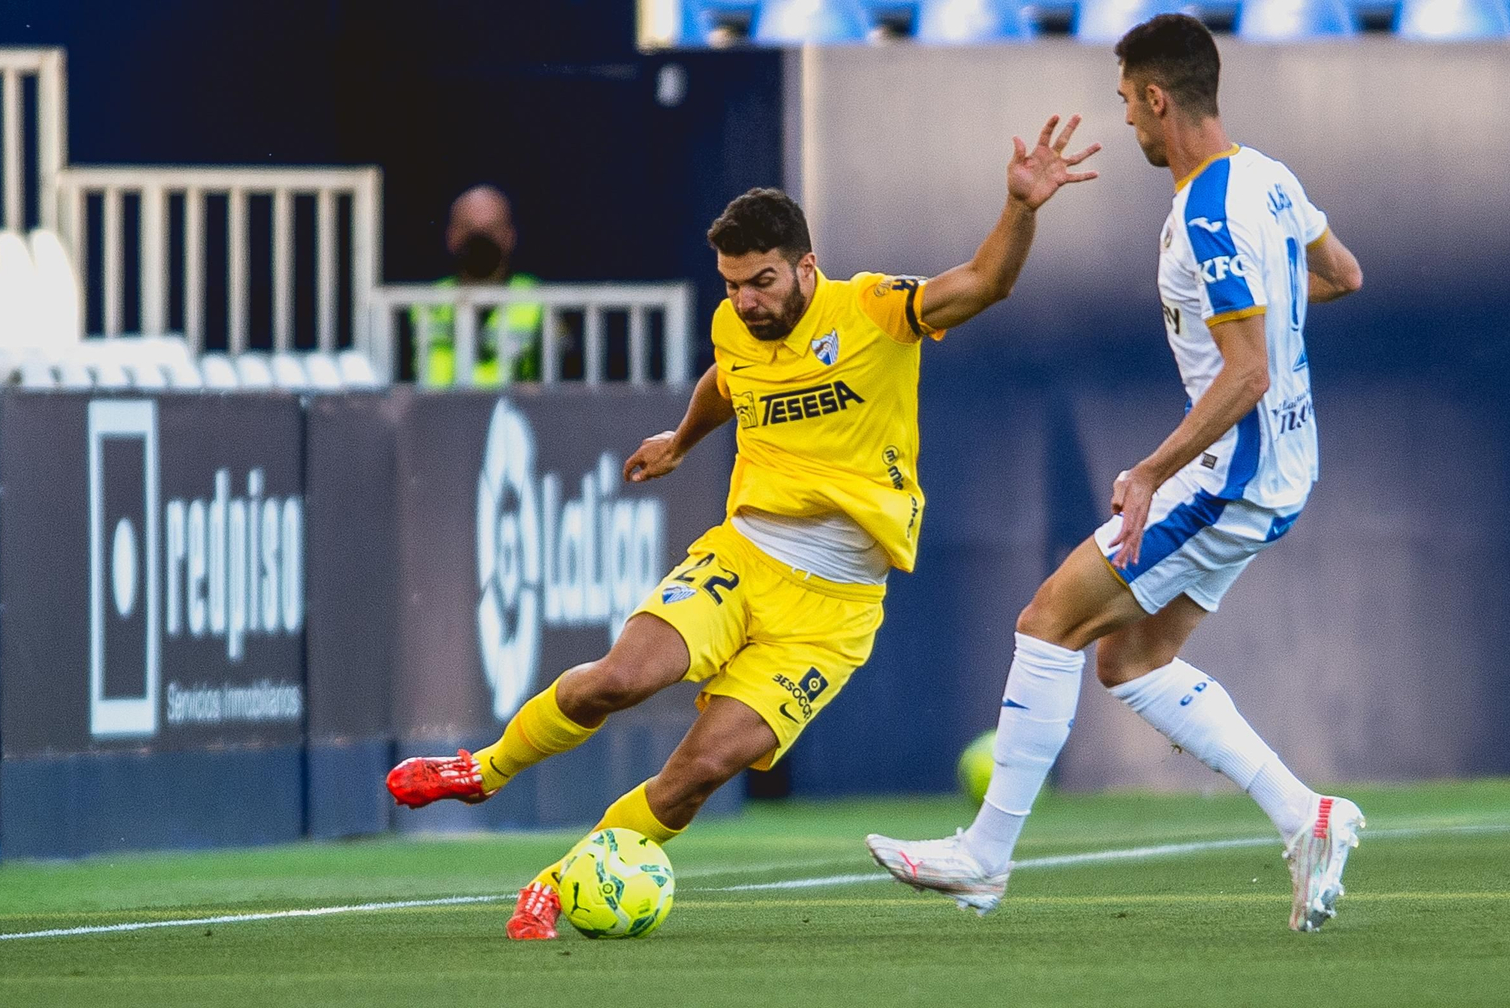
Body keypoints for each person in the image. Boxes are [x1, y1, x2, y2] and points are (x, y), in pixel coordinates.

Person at [384, 115, 1102, 939]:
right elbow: (726, 383)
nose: (745, 301)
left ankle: (562, 878)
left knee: (699, 771)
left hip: (834, 609)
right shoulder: (739, 326)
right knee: (618, 679)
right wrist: (679, 442)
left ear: (805, 266)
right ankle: (484, 770)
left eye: (760, 281)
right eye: (730, 284)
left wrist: (1021, 208)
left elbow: (984, 283)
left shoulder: (869, 310)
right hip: (748, 554)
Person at [866, 14, 1366, 934]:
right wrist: (1273, 311)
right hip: (1286, 466)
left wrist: (1145, 472)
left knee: (1047, 621)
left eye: (1127, 103)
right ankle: (1307, 815)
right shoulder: (1271, 178)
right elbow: (1342, 273)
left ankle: (984, 859)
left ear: (1157, 97)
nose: (1127, 122)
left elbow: (1248, 372)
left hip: (1231, 474)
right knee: (1130, 656)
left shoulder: (1208, 211)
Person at [416, 184, 544, 385]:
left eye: (491, 229)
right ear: (451, 237)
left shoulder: (539, 300)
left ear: (510, 237)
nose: (479, 238)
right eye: (468, 228)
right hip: (438, 414)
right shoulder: (422, 304)